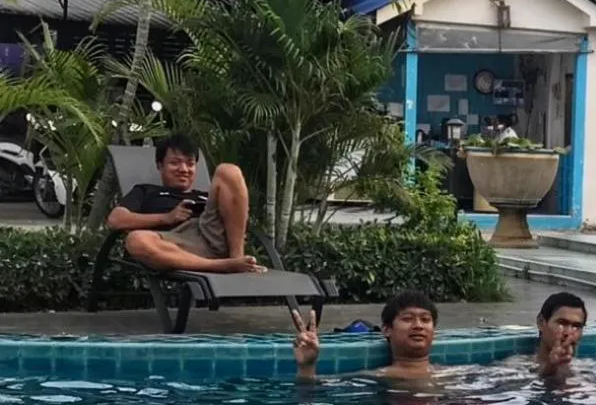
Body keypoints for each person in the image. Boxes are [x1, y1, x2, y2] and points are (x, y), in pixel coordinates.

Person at [106, 134, 263, 274]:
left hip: (210, 233)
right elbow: (116, 220)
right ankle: (221, 265)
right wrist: (167, 218)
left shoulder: (206, 196)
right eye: (175, 163)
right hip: (174, 244)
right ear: (160, 166)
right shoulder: (146, 191)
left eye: (190, 163)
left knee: (228, 170)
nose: (184, 169)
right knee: (136, 240)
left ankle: (237, 257)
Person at [293, 290, 439, 382]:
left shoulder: (455, 373)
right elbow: (311, 392)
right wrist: (306, 366)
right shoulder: (372, 378)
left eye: (425, 320)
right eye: (407, 319)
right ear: (387, 330)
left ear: (434, 331)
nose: (418, 325)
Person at [532, 291, 588, 381]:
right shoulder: (516, 366)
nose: (569, 332)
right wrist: (550, 367)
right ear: (541, 322)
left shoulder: (589, 368)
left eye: (576, 326)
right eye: (562, 323)